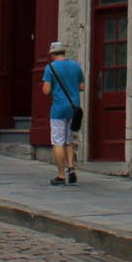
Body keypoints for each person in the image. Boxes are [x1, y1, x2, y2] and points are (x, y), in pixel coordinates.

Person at [41, 39, 84, 187]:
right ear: (64, 52)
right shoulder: (75, 66)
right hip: (74, 109)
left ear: (52, 54)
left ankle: (60, 175)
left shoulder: (50, 68)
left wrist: (52, 87)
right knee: (68, 140)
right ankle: (71, 168)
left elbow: (46, 90)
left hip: (58, 110)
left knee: (57, 142)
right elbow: (82, 86)